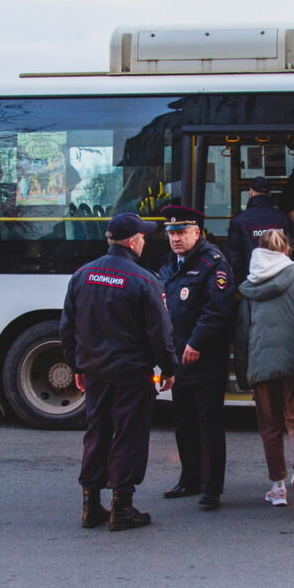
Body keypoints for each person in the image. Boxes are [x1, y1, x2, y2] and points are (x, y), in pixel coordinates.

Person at [60, 213, 177, 531]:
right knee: (129, 435)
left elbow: (68, 328)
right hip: (131, 373)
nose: (144, 241)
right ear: (131, 241)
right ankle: (122, 508)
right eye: (142, 237)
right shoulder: (144, 280)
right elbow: (159, 332)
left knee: (97, 433)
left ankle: (91, 506)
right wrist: (168, 368)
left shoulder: (82, 275)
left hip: (95, 371)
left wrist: (76, 366)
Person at [234, 229, 294, 514]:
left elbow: (242, 334)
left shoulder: (249, 285)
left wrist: (244, 373)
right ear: (286, 251)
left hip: (261, 364)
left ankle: (277, 487)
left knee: (269, 428)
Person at [158, 206, 236, 511]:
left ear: (197, 233)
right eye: (172, 234)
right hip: (178, 355)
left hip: (204, 357)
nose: (176, 239)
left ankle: (212, 487)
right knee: (184, 422)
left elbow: (217, 310)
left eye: (181, 233)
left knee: (209, 424)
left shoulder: (212, 263)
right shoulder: (169, 265)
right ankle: (189, 478)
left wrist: (197, 342)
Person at [227, 176, 291, 284]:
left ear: (250, 192)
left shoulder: (239, 221)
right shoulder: (283, 219)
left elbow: (235, 259)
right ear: (269, 194)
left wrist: (240, 285)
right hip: (281, 280)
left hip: (251, 281)